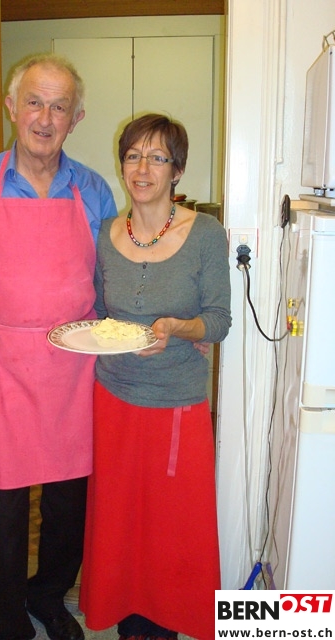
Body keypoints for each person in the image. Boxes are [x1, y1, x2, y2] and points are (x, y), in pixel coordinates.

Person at [0, 53, 117, 640]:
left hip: (75, 369)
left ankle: (49, 597)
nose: (45, 117)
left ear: (76, 118)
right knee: (6, 507)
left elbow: (112, 289)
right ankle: (5, 620)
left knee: (69, 501)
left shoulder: (94, 191)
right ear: (12, 107)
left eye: (59, 106)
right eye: (35, 102)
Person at [78, 114, 231, 640]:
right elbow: (101, 313)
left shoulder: (205, 233)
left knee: (172, 526)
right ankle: (129, 619)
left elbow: (219, 320)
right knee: (119, 521)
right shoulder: (105, 233)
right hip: (113, 398)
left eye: (157, 158)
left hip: (176, 403)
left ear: (177, 170)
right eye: (133, 156)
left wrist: (178, 328)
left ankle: (169, 621)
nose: (142, 168)